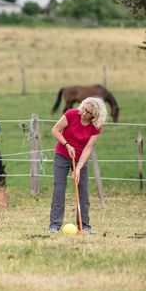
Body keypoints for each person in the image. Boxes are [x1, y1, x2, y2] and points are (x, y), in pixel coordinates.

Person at [49, 97, 108, 234]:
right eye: (83, 108)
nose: (83, 112)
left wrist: (79, 168)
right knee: (59, 190)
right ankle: (54, 225)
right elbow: (55, 130)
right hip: (62, 155)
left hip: (80, 158)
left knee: (83, 192)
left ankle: (84, 226)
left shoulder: (95, 127)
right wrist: (66, 144)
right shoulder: (71, 114)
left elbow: (88, 149)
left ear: (94, 116)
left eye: (88, 112)